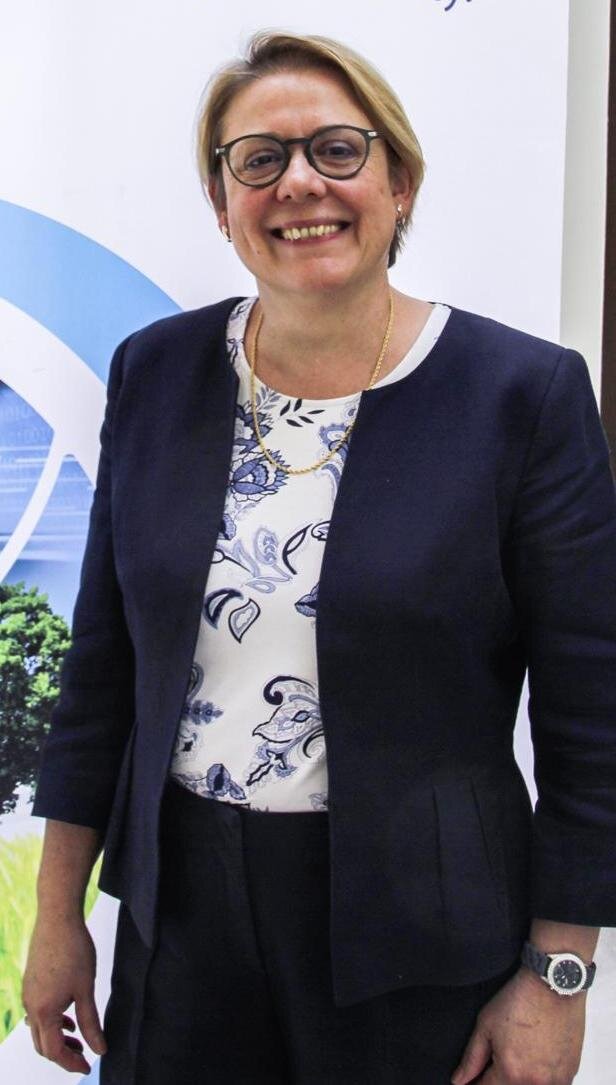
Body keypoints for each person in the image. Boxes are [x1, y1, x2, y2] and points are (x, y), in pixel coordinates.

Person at [22, 30, 616, 1085]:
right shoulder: (155, 372)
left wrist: (558, 973)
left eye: (338, 150)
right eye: (258, 160)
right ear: (222, 204)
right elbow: (102, 673)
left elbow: (592, 716)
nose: (299, 183)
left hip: (422, 941)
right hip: (181, 929)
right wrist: (58, 915)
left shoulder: (522, 396)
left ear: (400, 182)